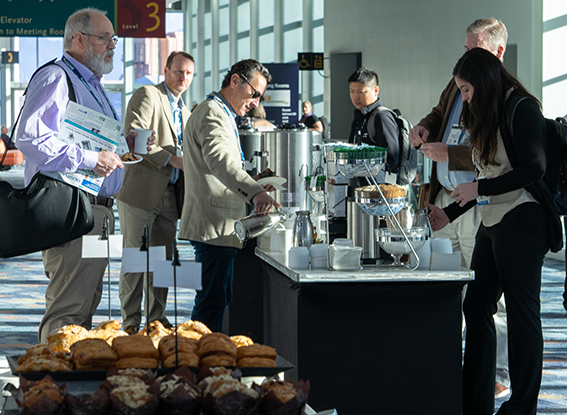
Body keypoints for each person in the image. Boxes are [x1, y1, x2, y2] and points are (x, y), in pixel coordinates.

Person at [427, 47, 561, 415]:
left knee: (521, 316)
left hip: (523, 222)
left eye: (467, 90)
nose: (465, 98)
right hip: (494, 220)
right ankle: (476, 402)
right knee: (476, 303)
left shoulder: (522, 108)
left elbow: (532, 168)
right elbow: (487, 172)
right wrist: (449, 213)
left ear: (484, 82)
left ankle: (521, 407)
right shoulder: (487, 113)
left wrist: (478, 191)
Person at [14, 7, 146, 343]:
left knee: (85, 308)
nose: (112, 45)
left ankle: (70, 390)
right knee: (67, 311)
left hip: (97, 213)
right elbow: (31, 138)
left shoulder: (92, 85)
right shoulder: (56, 78)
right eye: (106, 38)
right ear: (79, 39)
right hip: (73, 209)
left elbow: (88, 139)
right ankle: (47, 387)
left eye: (113, 38)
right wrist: (90, 158)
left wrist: (123, 144)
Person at [408, 17, 511, 397]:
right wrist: (424, 127)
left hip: (475, 206)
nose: (467, 56)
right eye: (466, 49)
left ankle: (496, 374)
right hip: (443, 203)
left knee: (484, 296)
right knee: (441, 288)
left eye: (475, 50)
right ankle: (447, 361)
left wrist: (449, 153)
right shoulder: (458, 82)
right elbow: (440, 114)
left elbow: (498, 156)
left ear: (497, 52)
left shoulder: (504, 95)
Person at [178, 59, 281, 332]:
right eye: (254, 94)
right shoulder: (212, 113)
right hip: (213, 225)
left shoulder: (221, 113)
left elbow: (215, 169)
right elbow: (220, 162)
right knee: (210, 304)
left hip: (219, 224)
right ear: (235, 81)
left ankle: (203, 361)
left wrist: (254, 182)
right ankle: (200, 363)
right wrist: (255, 192)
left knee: (216, 299)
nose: (256, 103)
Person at [114, 51, 195, 335]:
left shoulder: (187, 112)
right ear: (166, 70)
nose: (183, 77)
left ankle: (156, 318)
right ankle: (131, 322)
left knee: (161, 260)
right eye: (178, 71)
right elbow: (134, 135)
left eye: (188, 73)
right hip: (140, 192)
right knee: (136, 257)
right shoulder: (148, 94)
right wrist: (173, 159)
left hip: (171, 194)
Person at [348, 67, 400, 184]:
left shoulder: (382, 117)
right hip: (360, 187)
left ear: (376, 90)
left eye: (361, 92)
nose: (356, 96)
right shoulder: (358, 117)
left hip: (379, 190)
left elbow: (392, 159)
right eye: (352, 91)